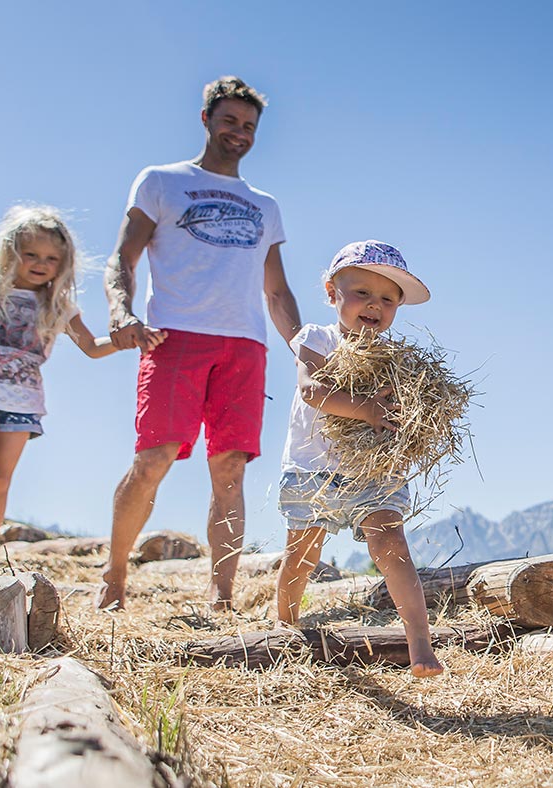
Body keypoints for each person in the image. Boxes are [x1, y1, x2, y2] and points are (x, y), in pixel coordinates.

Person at [98, 76, 301, 611]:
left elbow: (276, 289)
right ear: (207, 119)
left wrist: (306, 349)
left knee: (230, 467)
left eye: (249, 126)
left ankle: (222, 592)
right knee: (154, 458)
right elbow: (121, 259)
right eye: (230, 121)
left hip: (244, 346)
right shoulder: (162, 182)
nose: (239, 133)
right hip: (175, 337)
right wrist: (121, 312)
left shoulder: (265, 205)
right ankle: (114, 576)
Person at [0, 206, 164, 568]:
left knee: (1, 480)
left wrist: (123, 340)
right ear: (11, 253)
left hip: (22, 399)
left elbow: (91, 347)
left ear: (62, 263)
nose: (40, 263)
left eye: (51, 258)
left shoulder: (59, 305)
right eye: (31, 254)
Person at [275, 240, 444, 677]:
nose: (375, 305)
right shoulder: (316, 338)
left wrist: (418, 425)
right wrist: (368, 409)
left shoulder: (398, 361)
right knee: (302, 555)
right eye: (362, 293)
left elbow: (414, 413)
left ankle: (420, 646)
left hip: (374, 474)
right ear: (332, 294)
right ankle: (282, 629)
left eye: (388, 299)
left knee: (392, 546)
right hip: (314, 471)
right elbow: (311, 391)